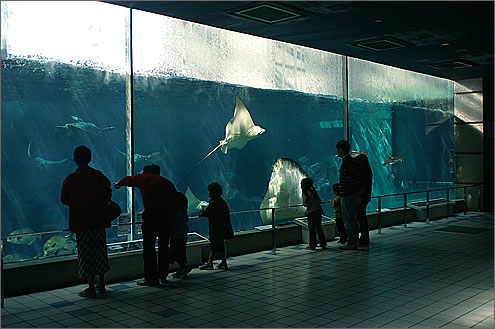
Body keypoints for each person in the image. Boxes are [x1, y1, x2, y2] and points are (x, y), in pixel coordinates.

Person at [61, 146, 111, 298]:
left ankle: (91, 287)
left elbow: (64, 199)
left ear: (75, 160)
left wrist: (77, 205)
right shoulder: (99, 175)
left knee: (85, 253)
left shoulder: (71, 178)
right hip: (98, 221)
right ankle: (101, 284)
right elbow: (107, 192)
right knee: (100, 251)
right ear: (90, 159)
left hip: (81, 223)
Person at [114, 164, 177, 286]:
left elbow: (129, 179)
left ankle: (151, 278)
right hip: (166, 216)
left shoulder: (144, 178)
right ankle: (163, 275)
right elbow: (174, 200)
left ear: (145, 172)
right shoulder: (167, 182)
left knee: (149, 247)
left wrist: (119, 184)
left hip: (151, 214)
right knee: (164, 246)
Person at [198, 182, 234, 270]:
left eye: (209, 191)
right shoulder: (222, 202)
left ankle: (214, 263)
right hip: (222, 228)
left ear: (213, 193)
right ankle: (217, 263)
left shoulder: (215, 203)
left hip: (216, 229)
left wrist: (203, 213)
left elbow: (211, 214)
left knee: (215, 245)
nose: (208, 193)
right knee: (217, 245)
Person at [335, 140, 362, 250]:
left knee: (349, 219)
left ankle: (351, 242)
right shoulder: (353, 161)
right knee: (353, 218)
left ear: (341, 149)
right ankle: (355, 240)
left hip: (348, 195)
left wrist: (346, 191)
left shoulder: (346, 162)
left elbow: (350, 180)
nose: (337, 151)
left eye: (338, 149)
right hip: (354, 194)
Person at [169, 192, 192, 279]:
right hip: (182, 235)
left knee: (176, 253)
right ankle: (182, 269)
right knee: (181, 253)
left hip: (176, 235)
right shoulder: (184, 211)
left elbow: (173, 222)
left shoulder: (176, 212)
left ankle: (184, 267)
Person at [301, 177, 326, 250]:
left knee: (312, 229)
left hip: (311, 212)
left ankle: (312, 245)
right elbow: (319, 201)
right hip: (318, 211)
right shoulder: (314, 192)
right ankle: (323, 243)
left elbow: (305, 204)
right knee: (319, 228)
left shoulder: (305, 193)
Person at [356, 154, 373, 248]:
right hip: (365, 197)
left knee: (361, 218)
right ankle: (365, 238)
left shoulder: (363, 174)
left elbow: (362, 188)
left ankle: (364, 239)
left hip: (361, 198)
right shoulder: (368, 172)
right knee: (362, 219)